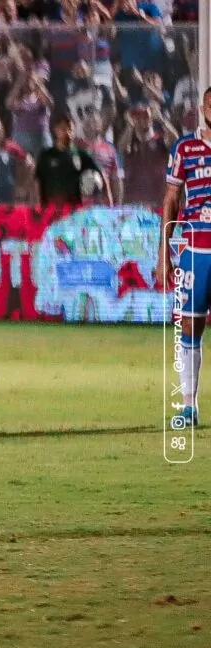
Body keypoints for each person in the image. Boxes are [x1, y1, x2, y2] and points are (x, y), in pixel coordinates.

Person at [157, 87, 211, 427]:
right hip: (194, 248)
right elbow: (171, 200)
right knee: (190, 323)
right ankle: (188, 405)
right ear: (204, 107)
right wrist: (164, 252)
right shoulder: (185, 148)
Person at [34, 112, 111, 207]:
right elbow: (38, 183)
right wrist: (40, 207)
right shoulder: (46, 156)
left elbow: (102, 175)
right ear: (55, 130)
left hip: (75, 210)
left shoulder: (82, 154)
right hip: (52, 208)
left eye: (70, 129)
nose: (68, 133)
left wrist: (110, 206)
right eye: (63, 129)